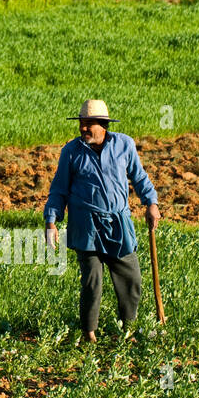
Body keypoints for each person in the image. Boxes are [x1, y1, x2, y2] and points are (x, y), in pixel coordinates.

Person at [44, 99, 161, 342]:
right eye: (81, 124)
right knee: (92, 282)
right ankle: (89, 333)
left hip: (119, 224)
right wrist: (51, 221)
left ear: (104, 125)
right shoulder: (71, 152)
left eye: (89, 124)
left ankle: (127, 328)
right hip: (86, 226)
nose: (83, 129)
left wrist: (151, 203)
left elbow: (139, 178)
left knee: (131, 278)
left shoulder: (124, 145)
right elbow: (59, 189)